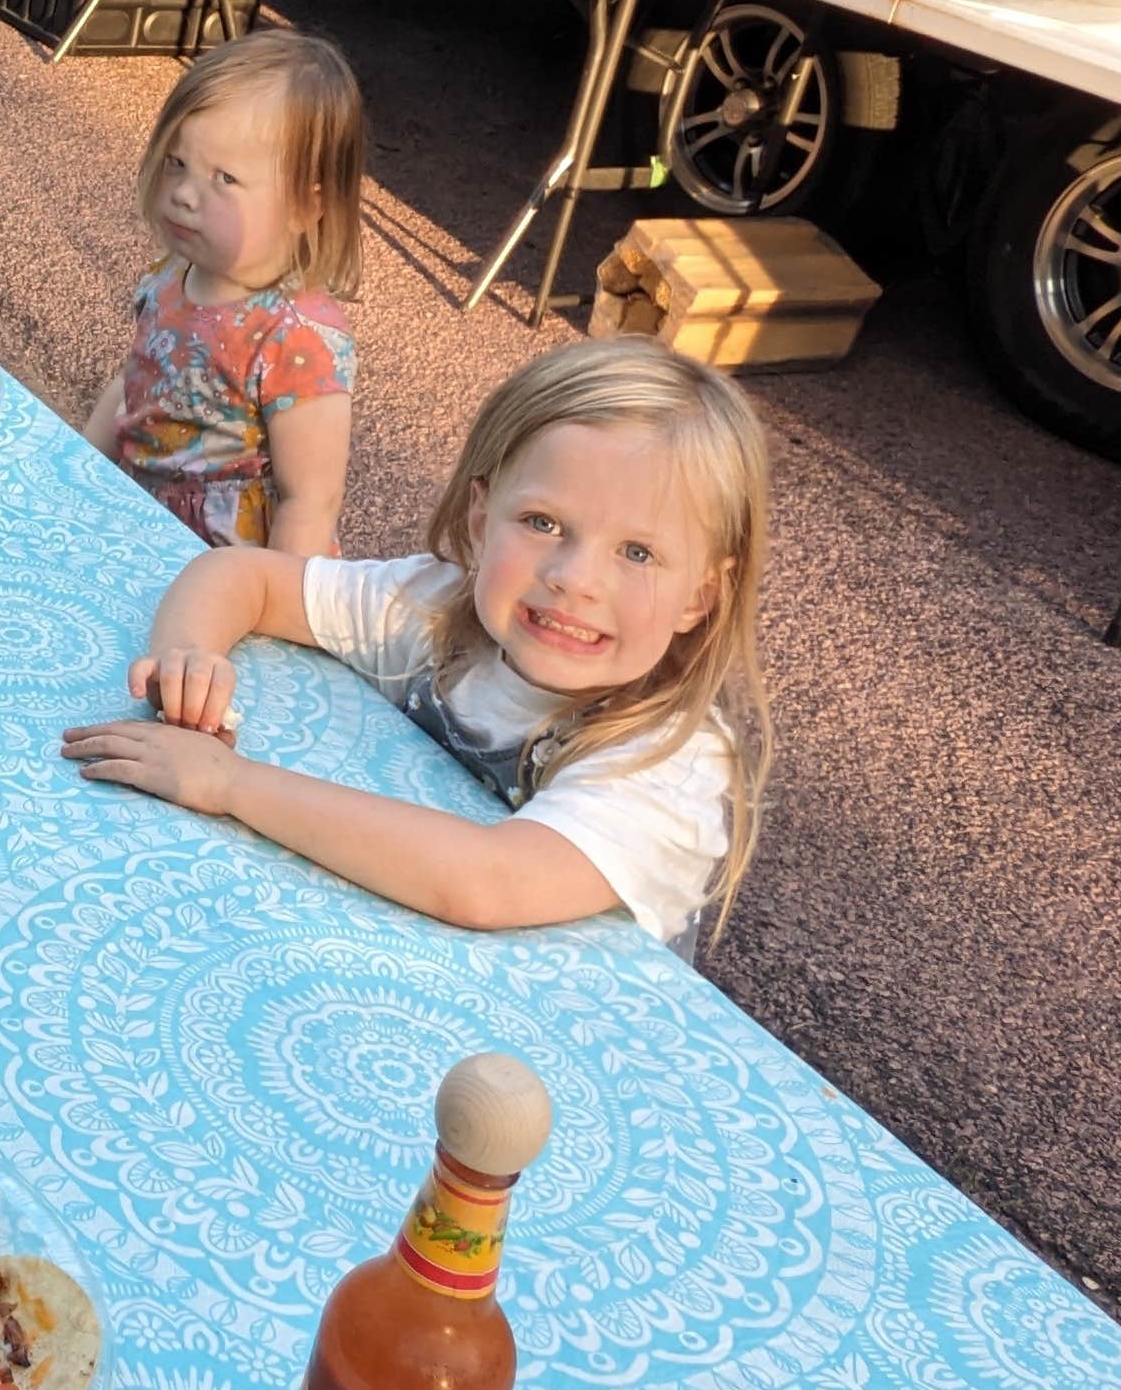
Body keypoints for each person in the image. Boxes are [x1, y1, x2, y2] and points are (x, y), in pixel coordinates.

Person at [64, 338, 772, 957]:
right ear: (480, 515)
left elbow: (487, 883)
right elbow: (242, 576)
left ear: (700, 597)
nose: (573, 579)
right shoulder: (438, 606)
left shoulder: (671, 759)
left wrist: (229, 783)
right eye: (543, 521)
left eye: (638, 553)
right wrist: (191, 652)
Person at [84, 31, 366, 556]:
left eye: (226, 178)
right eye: (176, 162)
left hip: (226, 563)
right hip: (136, 522)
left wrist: (274, 608)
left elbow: (310, 501)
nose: (186, 194)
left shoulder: (296, 338)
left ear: (305, 207)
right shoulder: (174, 273)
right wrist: (78, 466)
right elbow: (134, 378)